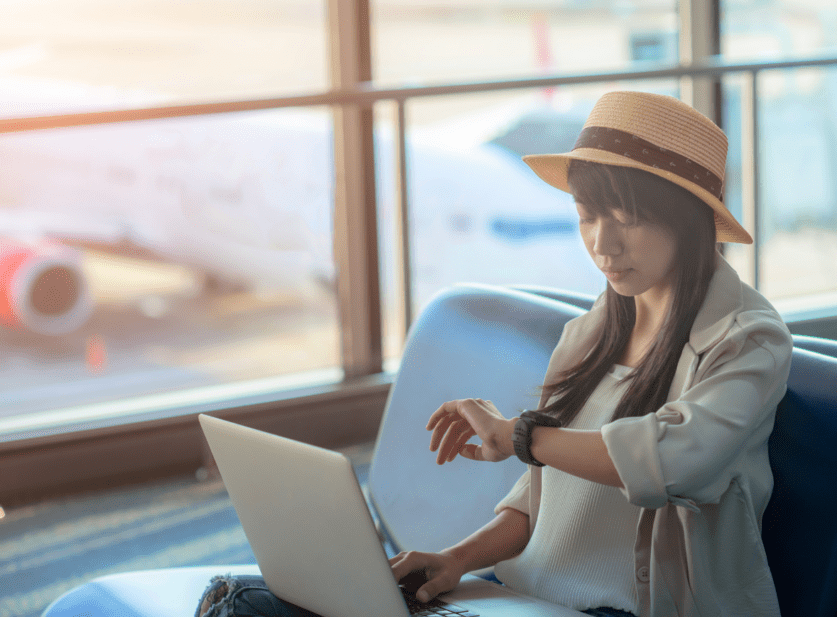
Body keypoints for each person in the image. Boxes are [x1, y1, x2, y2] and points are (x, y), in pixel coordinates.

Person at [197, 91, 792, 617]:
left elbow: (672, 460)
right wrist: (455, 561)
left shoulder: (748, 340)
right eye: (587, 217)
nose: (602, 246)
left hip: (627, 609)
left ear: (689, 221)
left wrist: (521, 437)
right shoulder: (591, 332)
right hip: (527, 598)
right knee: (240, 601)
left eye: (628, 219)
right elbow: (537, 502)